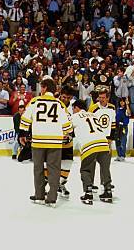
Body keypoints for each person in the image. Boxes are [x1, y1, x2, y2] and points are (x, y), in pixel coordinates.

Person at [19, 78, 72, 207]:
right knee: (54, 170)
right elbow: (67, 126)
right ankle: (52, 198)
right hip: (55, 142)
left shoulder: (35, 101)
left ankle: (39, 196)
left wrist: (22, 134)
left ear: (44, 88)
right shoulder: (59, 104)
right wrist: (66, 133)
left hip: (38, 141)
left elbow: (25, 119)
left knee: (38, 169)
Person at [71, 99, 113, 204]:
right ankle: (108, 191)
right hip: (103, 143)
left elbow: (67, 129)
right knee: (105, 168)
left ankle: (88, 193)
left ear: (76, 108)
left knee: (85, 169)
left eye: (73, 109)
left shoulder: (75, 116)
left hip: (89, 144)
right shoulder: (93, 115)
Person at [88, 88, 116, 192]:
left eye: (103, 98)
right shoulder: (93, 108)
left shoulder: (112, 107)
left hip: (106, 140)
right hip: (95, 139)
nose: (101, 99)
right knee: (92, 162)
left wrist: (110, 139)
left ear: (108, 98)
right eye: (99, 97)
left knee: (106, 163)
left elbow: (113, 124)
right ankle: (90, 183)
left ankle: (105, 182)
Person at [58, 85, 76, 198]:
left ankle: (61, 184)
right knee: (51, 165)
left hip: (68, 142)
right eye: (64, 97)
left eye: (68, 98)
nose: (65, 100)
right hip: (54, 140)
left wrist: (71, 135)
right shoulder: (55, 104)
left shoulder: (74, 107)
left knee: (67, 164)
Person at [115, 97, 131, 162]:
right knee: (117, 141)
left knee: (123, 141)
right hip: (117, 127)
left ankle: (122, 155)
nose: (121, 102)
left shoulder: (126, 109)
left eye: (123, 101)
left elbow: (129, 113)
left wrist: (127, 105)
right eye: (120, 101)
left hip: (124, 127)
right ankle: (118, 155)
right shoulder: (118, 109)